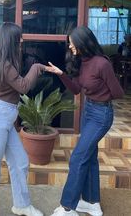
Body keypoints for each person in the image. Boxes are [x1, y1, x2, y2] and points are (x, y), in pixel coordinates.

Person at [45, 26, 124, 216]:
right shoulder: (82, 61)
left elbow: (118, 92)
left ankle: (67, 207)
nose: (70, 46)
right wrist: (61, 74)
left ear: (83, 42)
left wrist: (99, 93)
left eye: (72, 42)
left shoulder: (102, 64)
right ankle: (92, 203)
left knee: (78, 158)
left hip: (101, 115)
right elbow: (76, 89)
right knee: (89, 158)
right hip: (88, 112)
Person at [0, 22, 47, 216]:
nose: (21, 42)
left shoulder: (2, 61)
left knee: (20, 161)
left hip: (2, 119)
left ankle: (21, 205)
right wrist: (37, 67)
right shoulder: (3, 64)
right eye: (18, 39)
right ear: (10, 41)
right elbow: (23, 86)